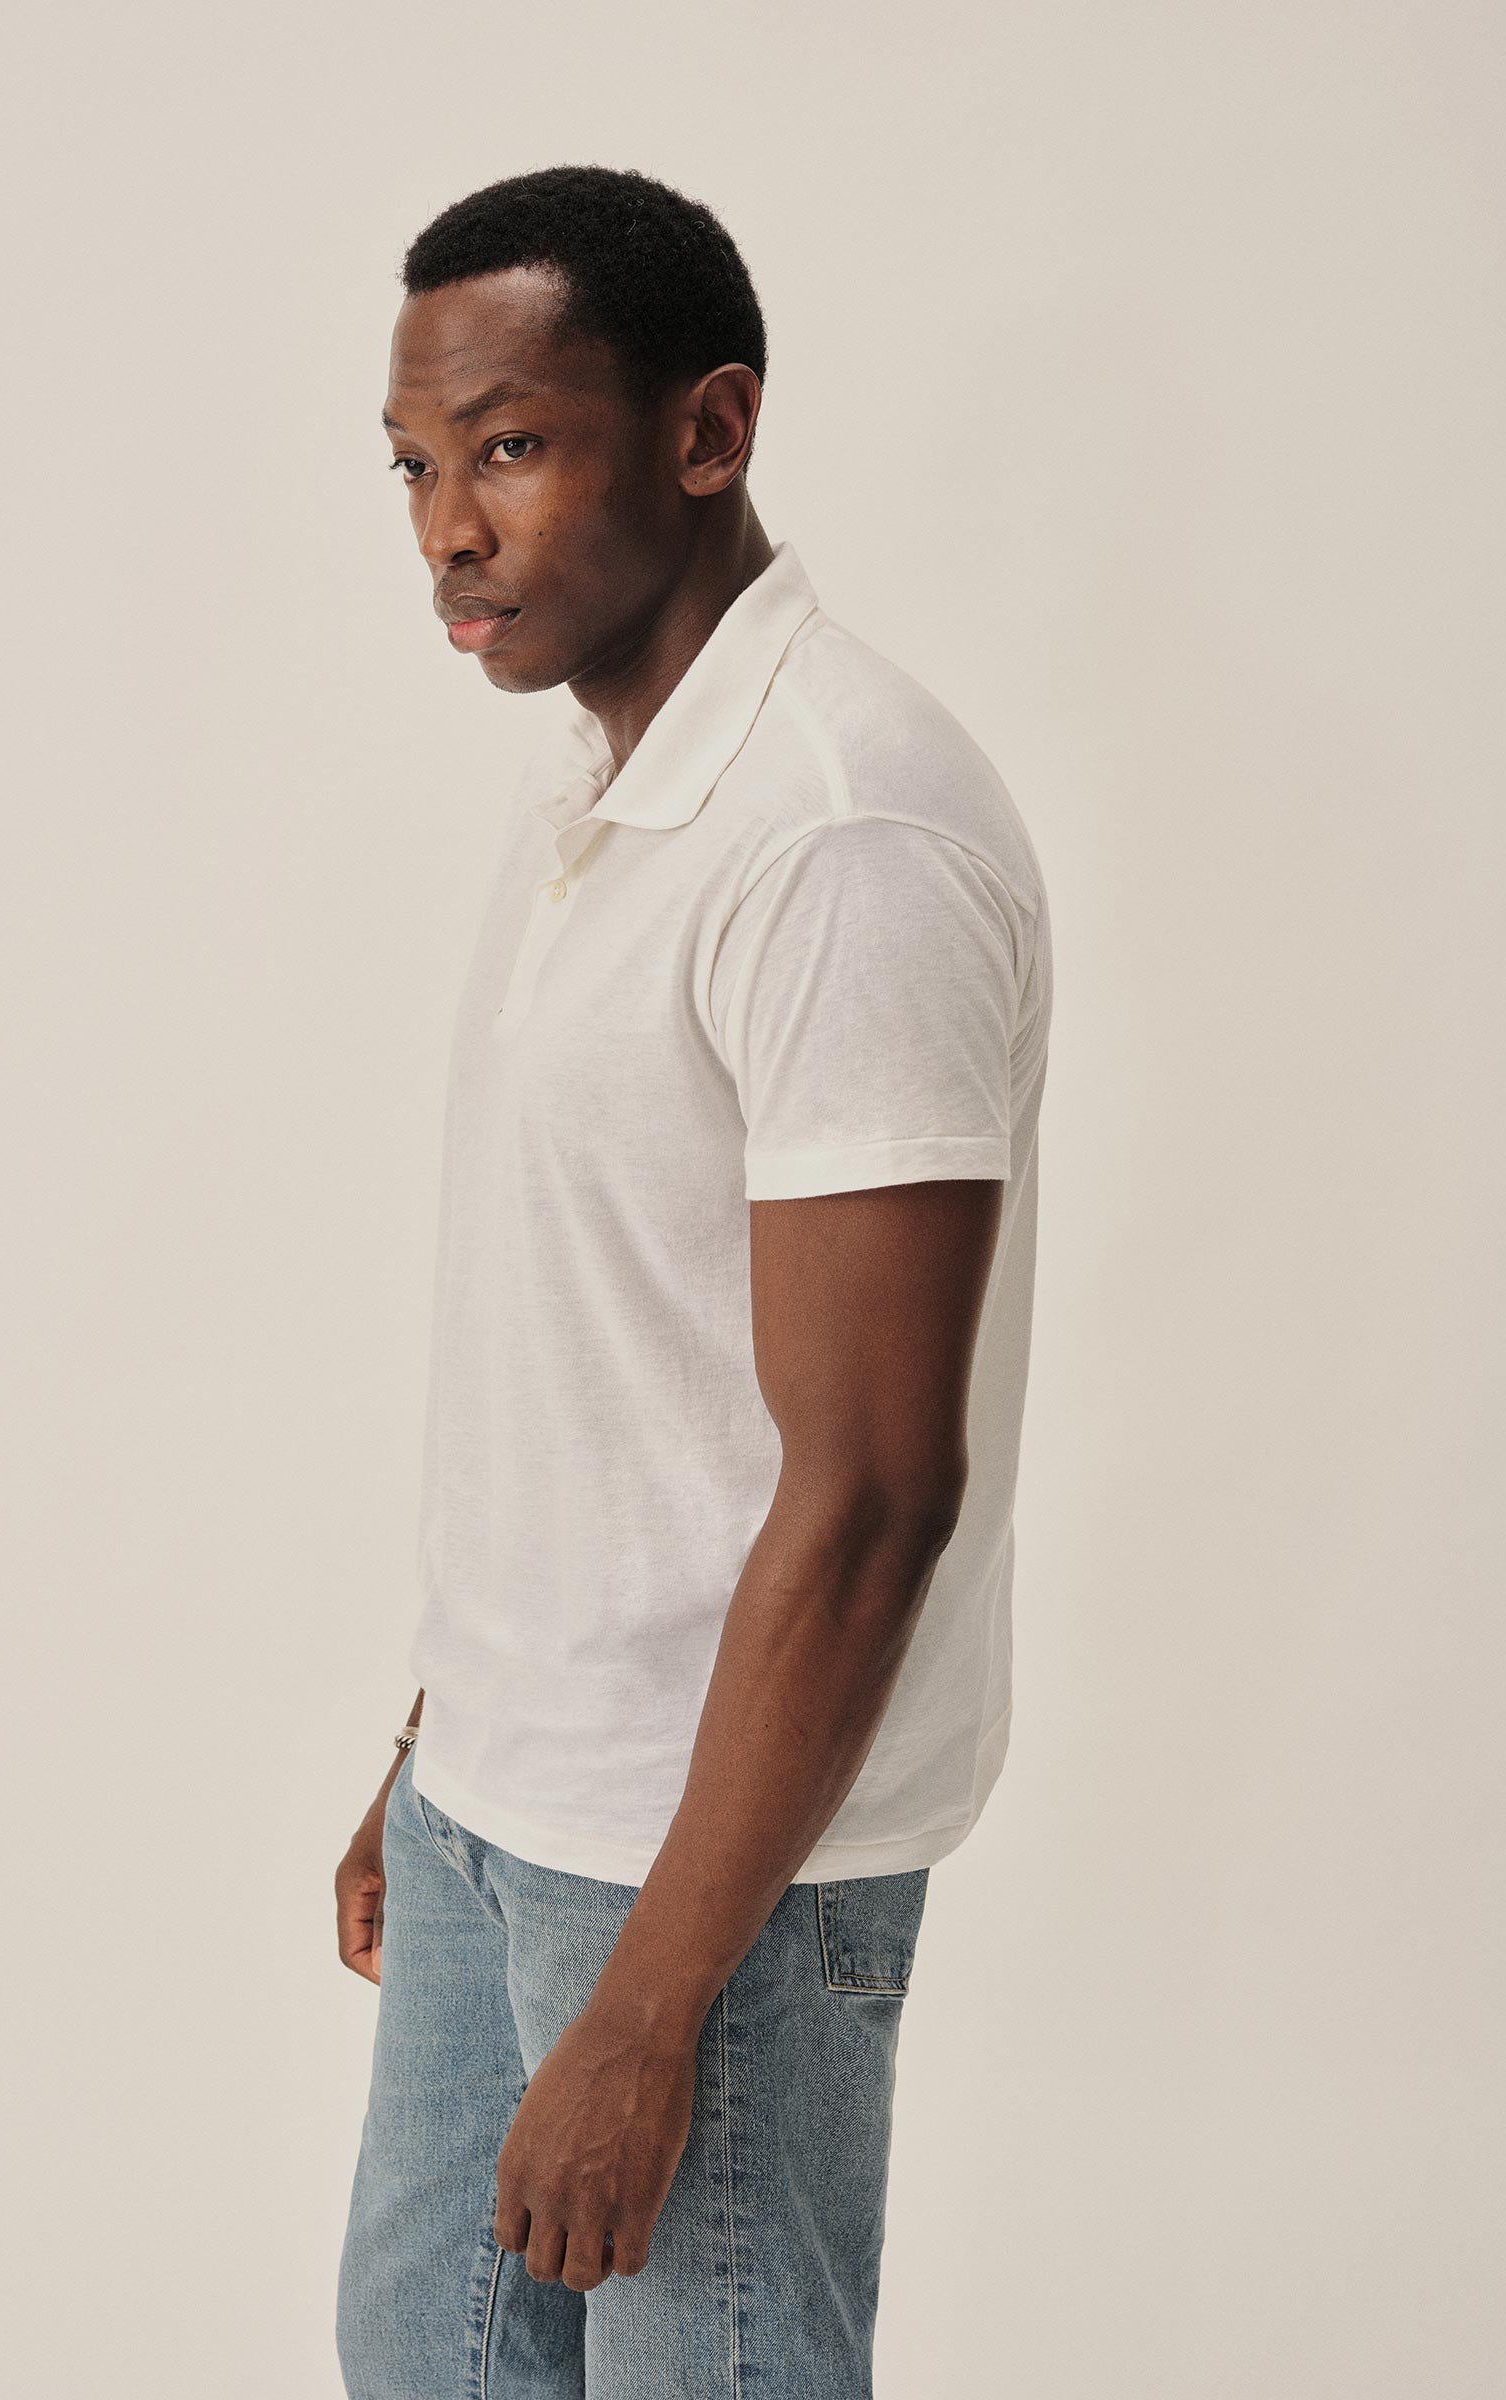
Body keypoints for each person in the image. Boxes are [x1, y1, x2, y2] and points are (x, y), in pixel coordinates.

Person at [333, 163, 1053, 2400]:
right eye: (414, 466)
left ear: (709, 431)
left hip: (711, 1873)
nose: (448, 530)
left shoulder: (836, 834)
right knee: (423, 2360)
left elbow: (876, 1493)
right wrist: (438, 1745)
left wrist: (655, 2011)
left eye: (510, 447)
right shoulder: (606, 776)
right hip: (505, 1805)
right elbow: (593, 1337)